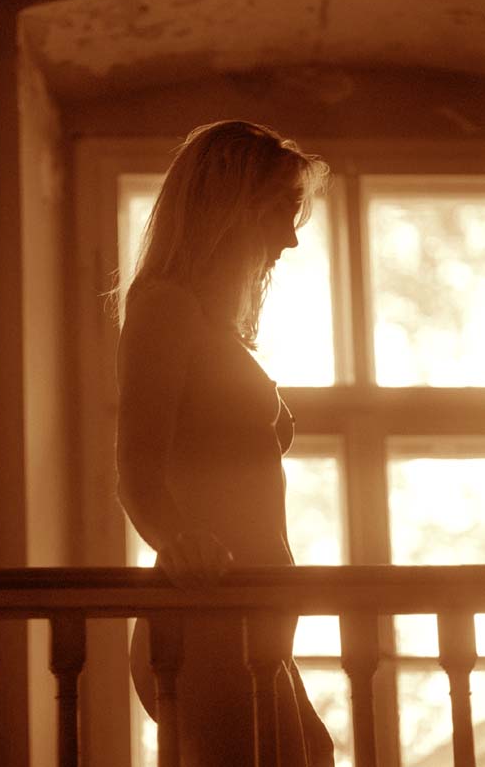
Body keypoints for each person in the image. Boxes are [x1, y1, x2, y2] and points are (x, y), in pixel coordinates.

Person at [116, 120, 334, 766]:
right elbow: (136, 469)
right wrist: (179, 542)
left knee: (314, 752)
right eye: (282, 210)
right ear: (232, 206)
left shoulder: (211, 325)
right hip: (208, 619)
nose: (291, 238)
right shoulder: (165, 308)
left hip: (246, 621)